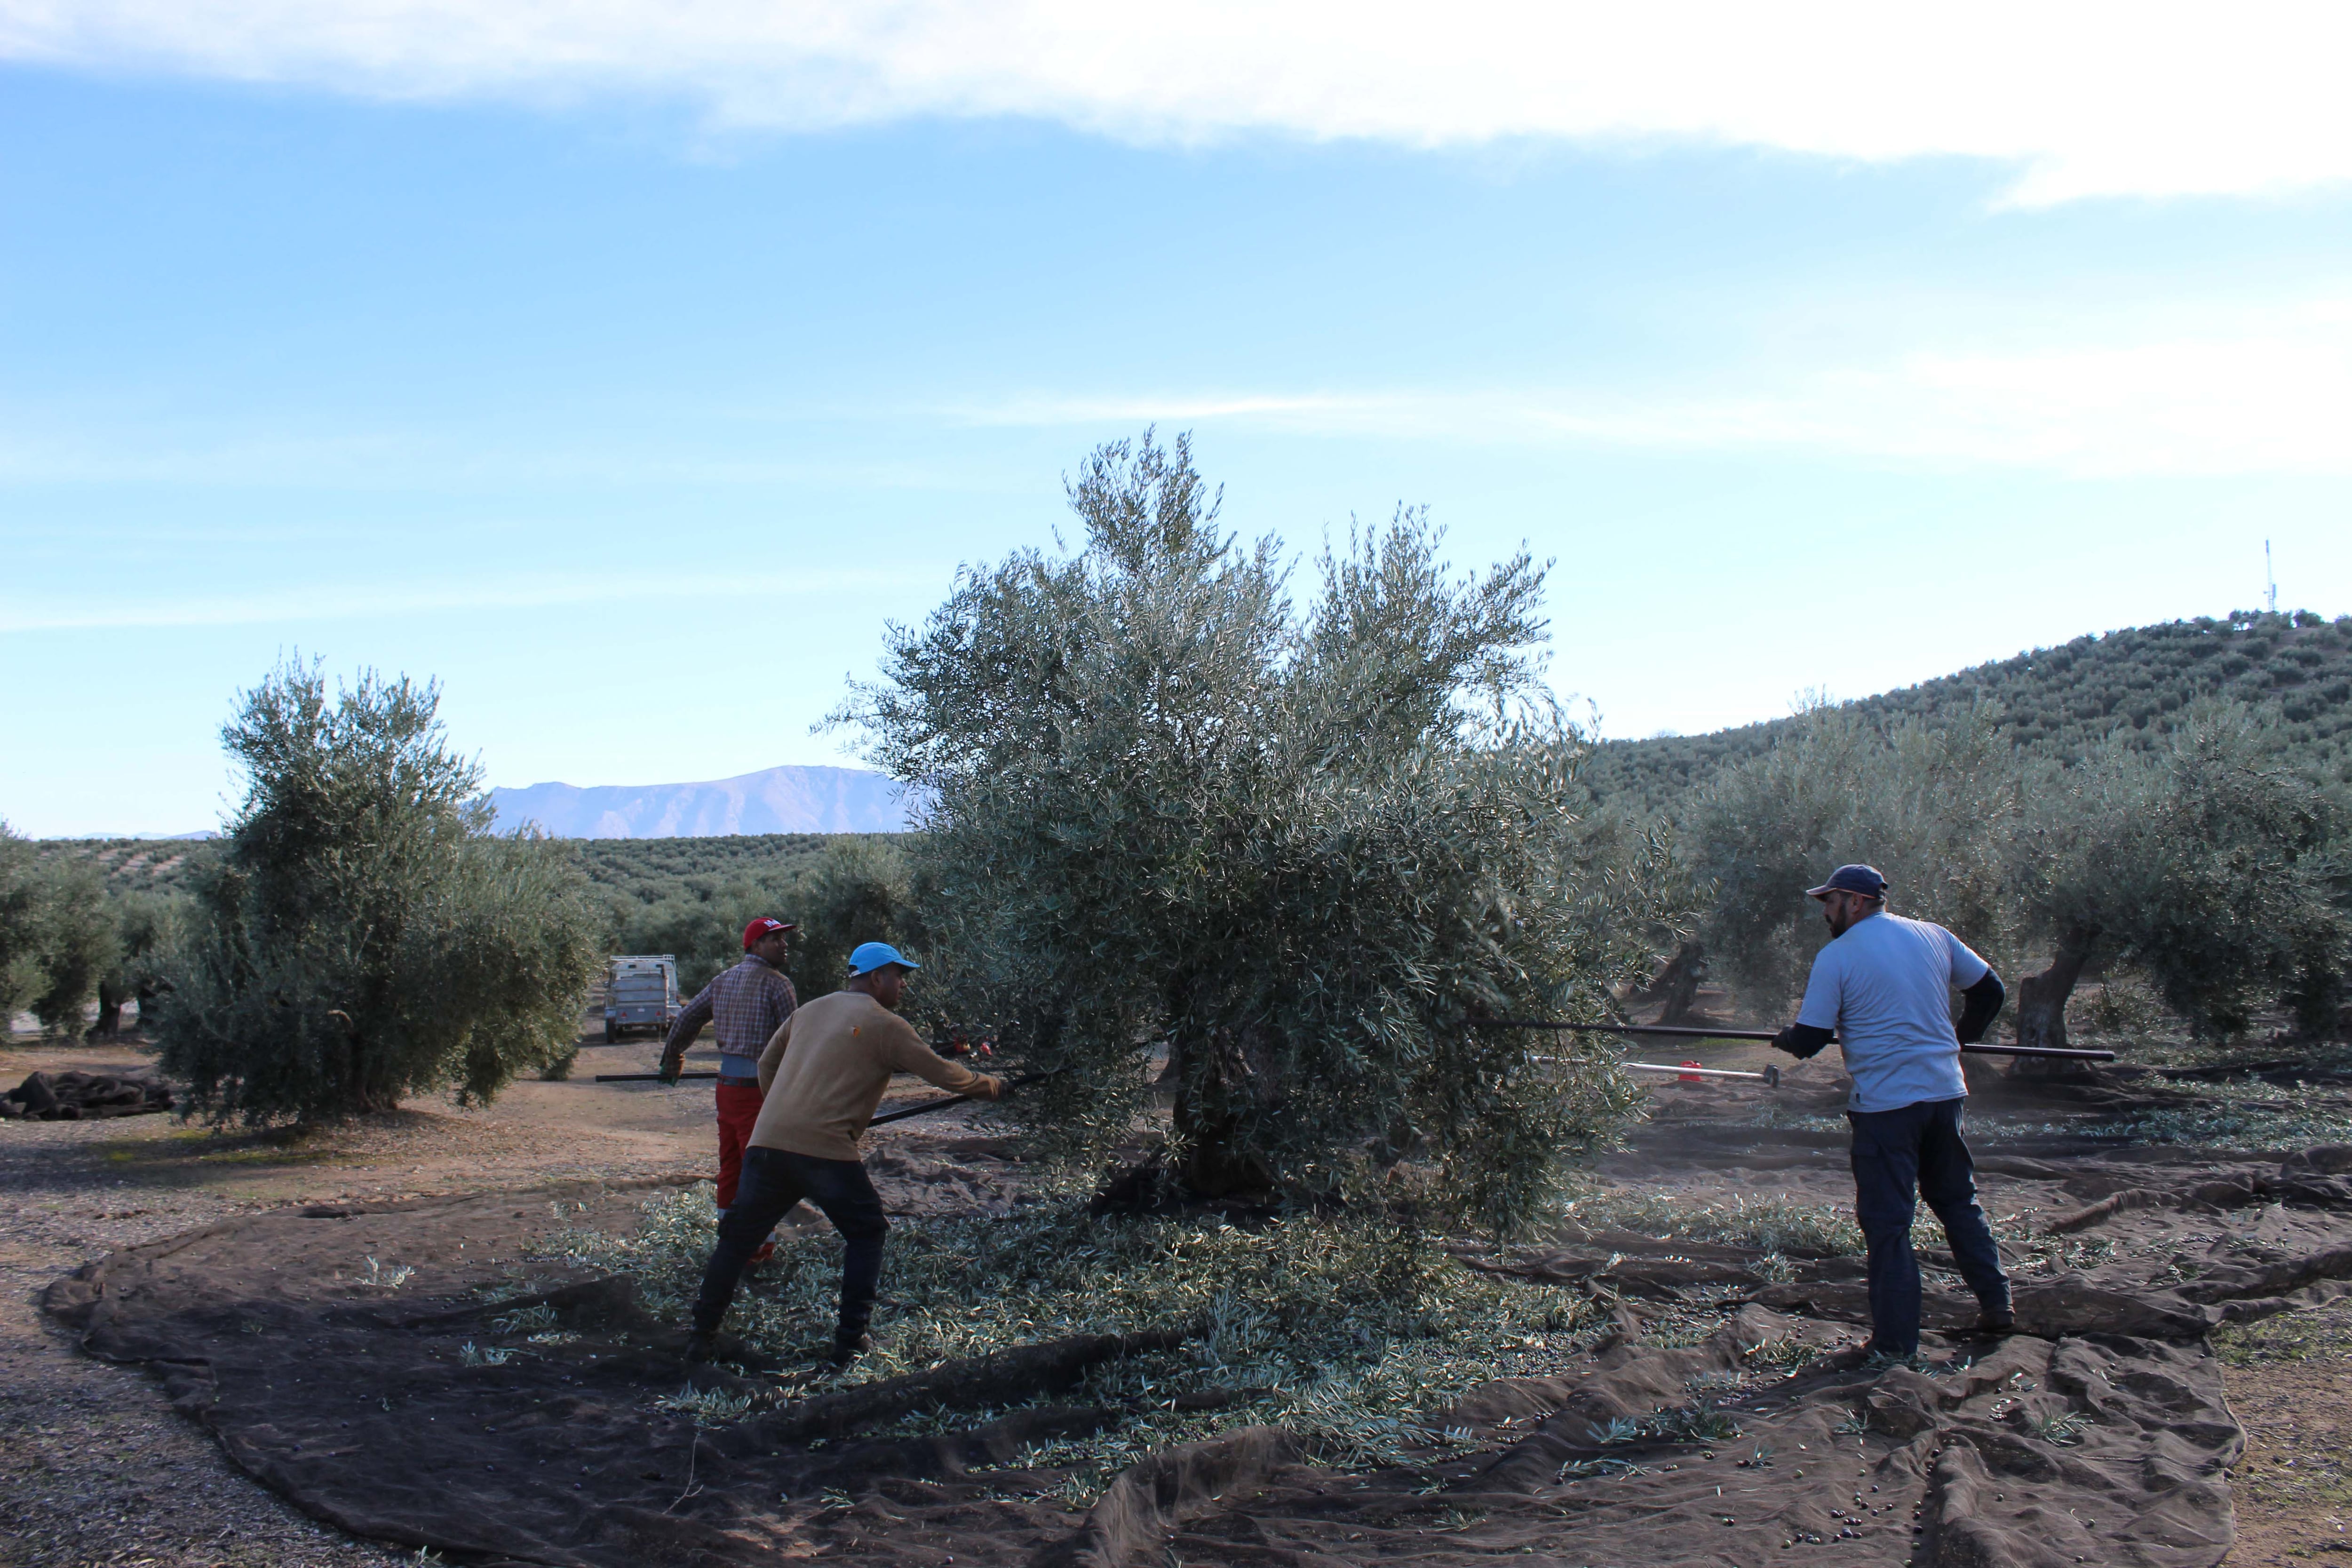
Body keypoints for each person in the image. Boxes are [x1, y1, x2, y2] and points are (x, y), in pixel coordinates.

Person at [685, 941, 1001, 1365]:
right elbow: (944, 1073)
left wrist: (788, 1112)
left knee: (737, 1241)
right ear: (876, 978)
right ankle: (851, 1341)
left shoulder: (810, 1010)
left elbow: (766, 1065)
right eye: (898, 975)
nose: (903, 984)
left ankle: (700, 1336)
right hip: (824, 1151)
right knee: (867, 1231)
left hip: (767, 1144)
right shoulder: (887, 1025)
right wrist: (994, 1086)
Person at [1772, 864, 2014, 1359]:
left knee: (1888, 1226)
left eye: (1829, 901)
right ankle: (1997, 1306)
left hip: (1886, 1109)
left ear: (1855, 902)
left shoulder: (1836, 957)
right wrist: (1957, 1042)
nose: (1824, 911)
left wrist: (1786, 1040)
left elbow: (1811, 1039)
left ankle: (1895, 1345)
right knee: (1957, 1204)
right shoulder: (1934, 936)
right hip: (1945, 1095)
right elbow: (1990, 991)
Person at [660, 917, 799, 1258]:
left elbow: (687, 1018)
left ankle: (728, 1237)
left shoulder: (722, 981)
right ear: (754, 945)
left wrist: (672, 1057)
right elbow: (795, 1043)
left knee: (732, 1165)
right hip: (760, 1090)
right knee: (762, 1170)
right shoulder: (779, 985)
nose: (784, 944)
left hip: (727, 1088)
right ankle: (758, 1248)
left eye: (784, 938)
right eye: (775, 938)